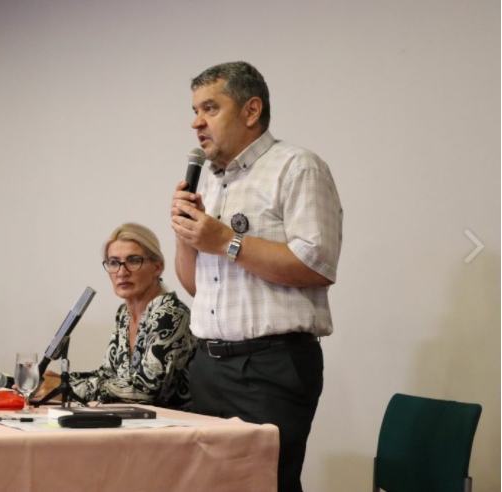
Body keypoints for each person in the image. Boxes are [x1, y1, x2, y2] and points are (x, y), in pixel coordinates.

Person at [170, 61, 343, 492]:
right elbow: (197, 287)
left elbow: (316, 266)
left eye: (210, 108)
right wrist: (185, 234)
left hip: (270, 366)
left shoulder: (296, 167)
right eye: (195, 110)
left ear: (251, 110)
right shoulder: (210, 183)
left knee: (266, 485)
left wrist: (226, 241)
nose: (196, 122)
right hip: (209, 365)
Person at [35, 223, 197, 409]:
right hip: (139, 421)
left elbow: (143, 391)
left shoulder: (170, 313)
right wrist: (60, 380)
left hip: (178, 422)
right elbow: (109, 376)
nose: (121, 272)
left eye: (133, 260)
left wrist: (64, 388)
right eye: (113, 262)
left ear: (157, 267)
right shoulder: (124, 314)